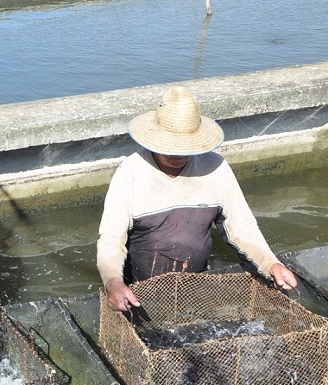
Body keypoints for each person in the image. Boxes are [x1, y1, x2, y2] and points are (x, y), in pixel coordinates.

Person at [96, 86, 298, 312]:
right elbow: (111, 239)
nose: (178, 156)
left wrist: (271, 264)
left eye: (185, 149)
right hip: (139, 291)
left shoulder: (216, 168)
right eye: (171, 148)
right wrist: (113, 281)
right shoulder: (130, 172)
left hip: (196, 285)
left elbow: (242, 227)